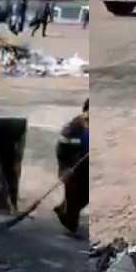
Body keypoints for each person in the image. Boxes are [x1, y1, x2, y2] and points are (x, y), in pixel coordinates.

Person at [55, 99, 89, 235]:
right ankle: (70, 225)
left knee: (85, 197)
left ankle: (63, 210)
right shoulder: (72, 128)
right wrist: (65, 169)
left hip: (86, 167)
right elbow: (61, 150)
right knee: (74, 198)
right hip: (72, 169)